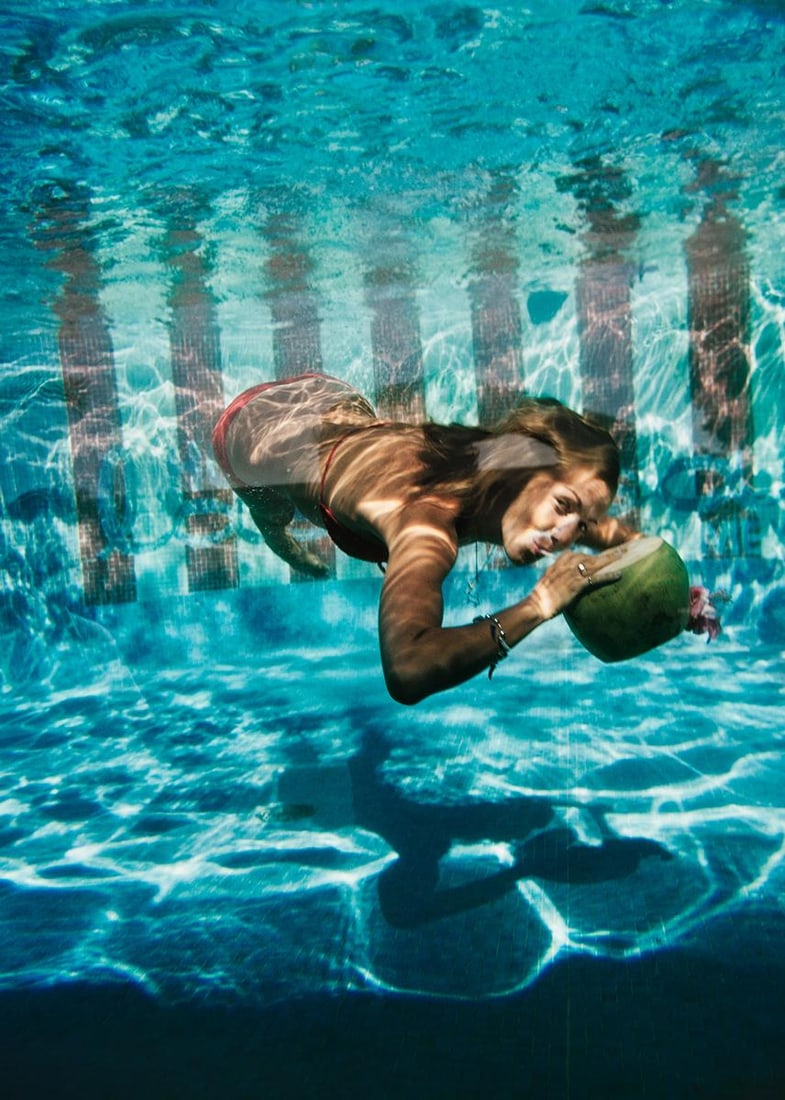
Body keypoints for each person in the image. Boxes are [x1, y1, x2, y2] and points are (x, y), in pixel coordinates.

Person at [213, 372, 637, 705]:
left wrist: (648, 558)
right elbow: (407, 668)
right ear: (524, 471)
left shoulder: (490, 458)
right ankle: (279, 538)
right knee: (272, 511)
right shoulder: (426, 525)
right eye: (563, 506)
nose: (566, 536)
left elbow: (597, 523)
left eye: (581, 525)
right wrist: (538, 605)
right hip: (251, 434)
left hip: (330, 402)